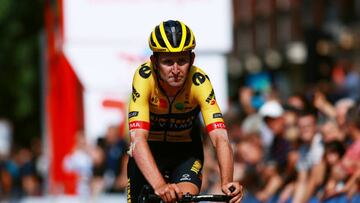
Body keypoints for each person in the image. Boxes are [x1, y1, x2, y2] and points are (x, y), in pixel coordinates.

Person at [127, 20, 243, 203]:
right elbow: (138, 139)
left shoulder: (199, 82)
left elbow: (220, 137)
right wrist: (160, 185)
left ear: (192, 59)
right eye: (167, 62)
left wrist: (227, 180)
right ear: (154, 61)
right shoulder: (144, 78)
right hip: (150, 151)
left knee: (183, 199)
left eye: (182, 61)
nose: (175, 70)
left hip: (185, 154)